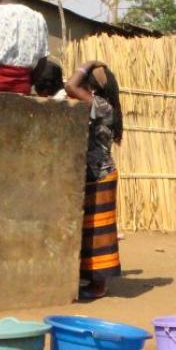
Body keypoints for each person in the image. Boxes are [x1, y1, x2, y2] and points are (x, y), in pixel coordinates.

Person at [64, 62, 124, 300]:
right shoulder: (102, 106)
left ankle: (100, 285)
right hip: (94, 174)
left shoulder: (101, 106)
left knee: (100, 233)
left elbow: (70, 85)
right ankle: (93, 279)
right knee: (90, 230)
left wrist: (86, 64)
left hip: (101, 175)